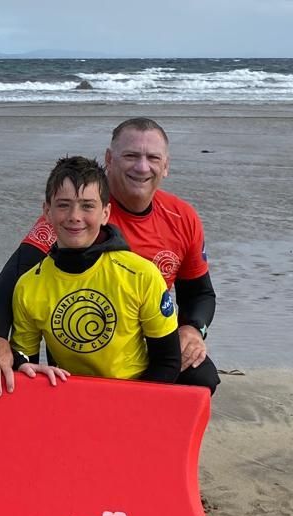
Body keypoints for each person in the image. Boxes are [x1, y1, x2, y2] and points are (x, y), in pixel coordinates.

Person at [0, 117, 220, 395]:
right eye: (130, 155)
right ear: (109, 159)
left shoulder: (182, 217)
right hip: (79, 338)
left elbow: (200, 292)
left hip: (153, 339)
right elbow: (13, 280)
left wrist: (193, 328)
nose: (142, 167)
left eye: (152, 157)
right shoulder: (76, 218)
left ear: (166, 166)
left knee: (202, 378)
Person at [9, 156, 179, 383]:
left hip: (133, 391)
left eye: (87, 206)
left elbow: (167, 361)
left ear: (106, 214)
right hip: (69, 395)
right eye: (63, 205)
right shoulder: (28, 286)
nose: (74, 217)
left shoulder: (142, 275)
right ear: (47, 212)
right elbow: (25, 366)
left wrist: (133, 406)